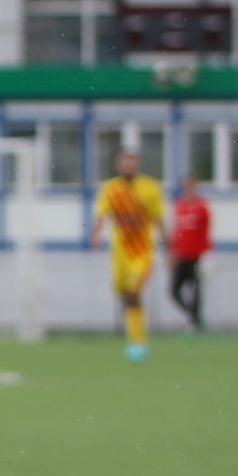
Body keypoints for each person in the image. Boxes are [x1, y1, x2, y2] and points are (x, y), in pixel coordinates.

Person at [90, 145, 166, 361]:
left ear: (137, 165)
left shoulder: (149, 188)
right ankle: (134, 338)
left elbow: (158, 218)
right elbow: (101, 214)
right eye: (125, 161)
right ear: (118, 165)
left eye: (132, 161)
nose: (128, 165)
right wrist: (95, 235)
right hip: (120, 254)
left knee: (134, 292)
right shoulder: (111, 189)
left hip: (141, 253)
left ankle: (138, 342)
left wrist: (168, 248)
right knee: (124, 295)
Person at [168, 175, 210, 333]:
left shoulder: (202, 207)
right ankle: (193, 317)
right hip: (181, 256)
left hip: (196, 256)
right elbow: (175, 231)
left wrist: (207, 255)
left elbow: (206, 232)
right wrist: (172, 253)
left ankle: (194, 322)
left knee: (195, 290)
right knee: (173, 291)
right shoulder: (179, 206)